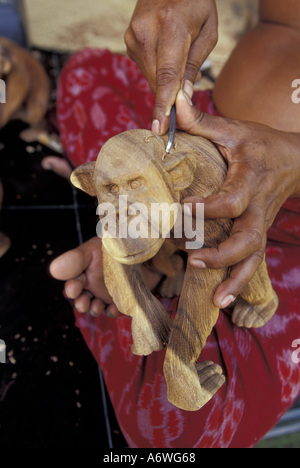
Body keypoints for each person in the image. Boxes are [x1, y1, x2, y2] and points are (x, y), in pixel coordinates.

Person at [50, 0, 300, 447]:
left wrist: (294, 159)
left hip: (287, 229)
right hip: (204, 129)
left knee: (177, 436)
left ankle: (168, 268)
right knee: (86, 71)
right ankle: (151, 256)